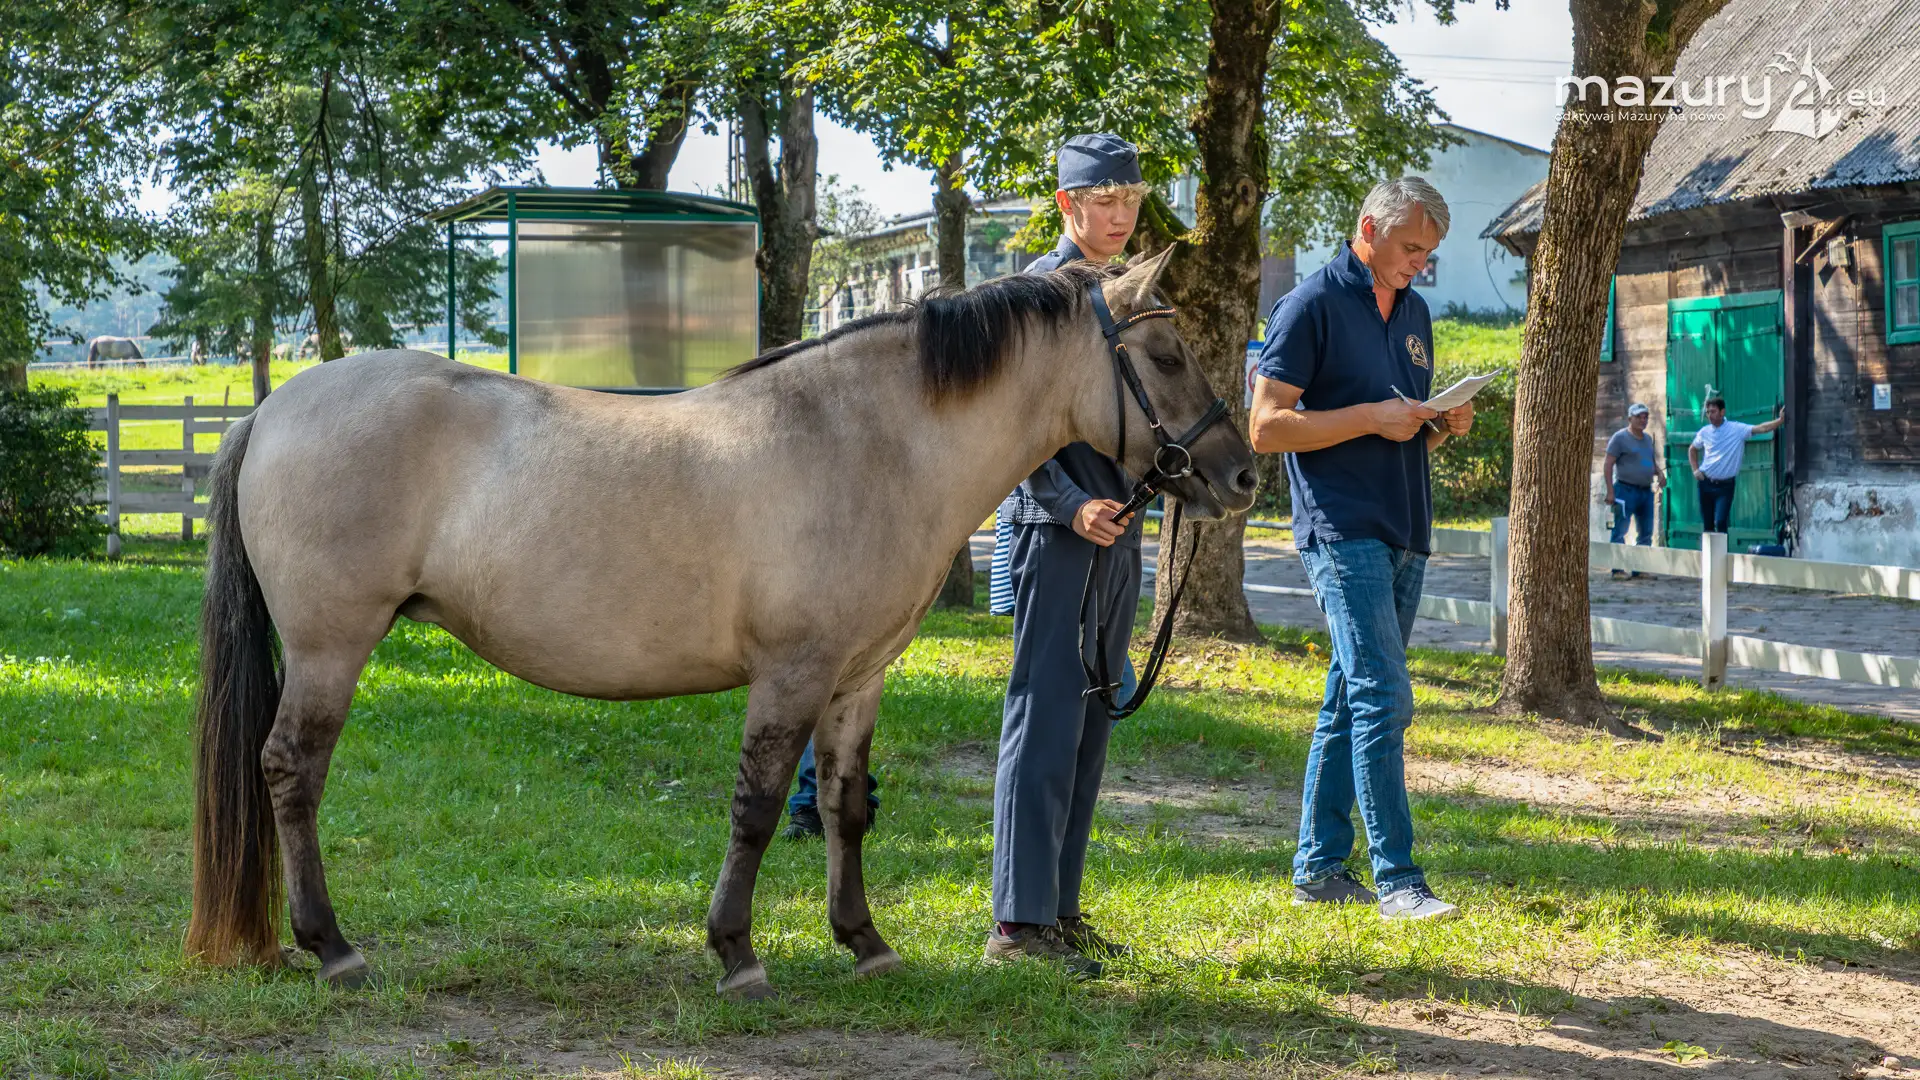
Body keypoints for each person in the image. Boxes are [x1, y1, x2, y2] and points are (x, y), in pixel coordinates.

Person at [1248, 176, 1472, 922]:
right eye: (1411, 248)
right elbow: (1266, 427)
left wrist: (1442, 424)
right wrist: (1373, 416)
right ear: (1369, 230)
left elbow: (1401, 432)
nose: (1419, 265)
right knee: (1384, 694)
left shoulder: (1414, 313)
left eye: (1429, 254)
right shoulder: (1308, 304)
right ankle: (1399, 881)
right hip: (1341, 527)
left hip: (1406, 525)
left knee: (1351, 696)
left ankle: (1317, 869)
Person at [986, 133, 1149, 977]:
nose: (1121, 216)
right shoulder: (1034, 299)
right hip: (1056, 534)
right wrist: (1067, 503)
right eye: (1105, 201)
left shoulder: (1131, 291)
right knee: (1044, 720)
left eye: (1132, 200)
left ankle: (1060, 909)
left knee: (1089, 727)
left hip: (1120, 535)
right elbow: (1007, 430)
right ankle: (1016, 925)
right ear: (1067, 205)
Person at [1689, 397, 1784, 536]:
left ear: (1722, 412)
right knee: (1707, 525)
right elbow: (1692, 449)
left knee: (1720, 521)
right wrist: (1695, 470)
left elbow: (1761, 428)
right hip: (1706, 483)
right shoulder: (1704, 432)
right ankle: (1709, 551)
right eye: (1708, 412)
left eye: (1713, 411)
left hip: (1725, 486)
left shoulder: (1736, 429)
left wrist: (1780, 420)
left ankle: (1722, 550)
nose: (1710, 415)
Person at [1601, 402, 1665, 576]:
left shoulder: (1647, 439)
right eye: (1639, 417)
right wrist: (1610, 491)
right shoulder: (1620, 438)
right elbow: (1608, 464)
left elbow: (1649, 462)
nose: (1643, 420)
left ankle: (1640, 568)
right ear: (1630, 419)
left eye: (1645, 417)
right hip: (1624, 490)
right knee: (1620, 530)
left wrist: (1659, 473)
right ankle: (1617, 569)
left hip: (1645, 491)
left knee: (1646, 532)